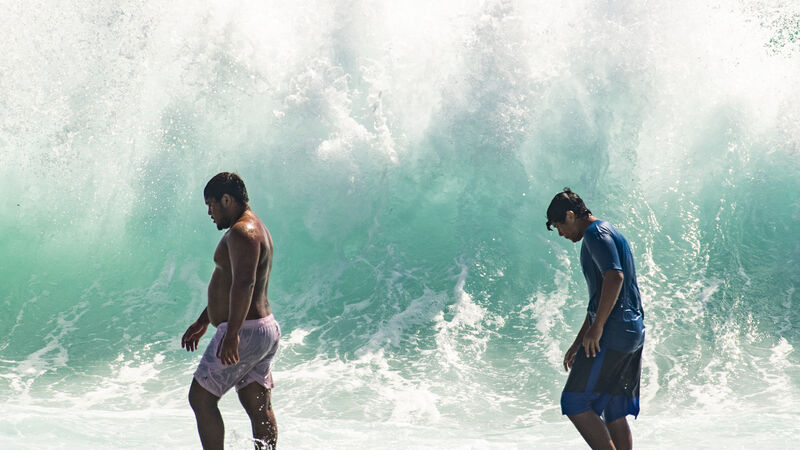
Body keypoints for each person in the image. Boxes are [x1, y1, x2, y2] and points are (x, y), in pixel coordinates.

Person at [181, 172, 281, 450]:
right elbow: (230, 284)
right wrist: (204, 320)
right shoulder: (255, 228)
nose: (209, 212)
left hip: (245, 330)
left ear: (226, 199)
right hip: (262, 329)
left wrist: (233, 333)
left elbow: (244, 283)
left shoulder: (242, 232)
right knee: (256, 403)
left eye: (211, 204)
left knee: (201, 398)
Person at [546, 188, 645, 450]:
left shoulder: (595, 234)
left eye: (559, 226)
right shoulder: (608, 231)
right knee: (613, 408)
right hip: (631, 331)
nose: (561, 234)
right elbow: (600, 297)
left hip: (614, 331)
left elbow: (615, 276)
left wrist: (598, 327)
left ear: (570, 215)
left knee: (575, 403)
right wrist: (581, 338)